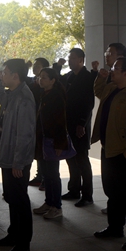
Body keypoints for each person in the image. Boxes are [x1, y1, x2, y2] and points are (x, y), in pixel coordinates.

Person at [91, 57, 126, 250]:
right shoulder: (112, 88)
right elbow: (98, 91)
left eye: (115, 68)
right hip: (109, 149)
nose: (111, 70)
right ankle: (115, 227)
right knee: (112, 192)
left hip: (124, 153)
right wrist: (100, 77)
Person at [0, 59, 36, 251]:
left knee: (19, 201)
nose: (3, 75)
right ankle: (13, 234)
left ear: (15, 76)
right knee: (11, 197)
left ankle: (23, 244)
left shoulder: (24, 98)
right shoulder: (12, 94)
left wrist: (19, 162)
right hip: (8, 155)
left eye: (5, 72)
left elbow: (25, 134)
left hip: (16, 159)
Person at [54, 48, 95, 207]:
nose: (70, 61)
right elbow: (56, 80)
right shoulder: (69, 76)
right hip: (68, 123)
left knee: (82, 159)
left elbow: (88, 103)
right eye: (69, 58)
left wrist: (82, 123)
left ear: (81, 60)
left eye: (73, 58)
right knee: (70, 157)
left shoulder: (87, 77)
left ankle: (87, 195)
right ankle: (74, 189)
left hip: (80, 124)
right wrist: (57, 66)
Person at [32, 67, 68, 220]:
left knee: (53, 174)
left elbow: (61, 122)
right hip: (43, 139)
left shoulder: (56, 96)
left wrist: (59, 144)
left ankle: (56, 206)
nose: (41, 80)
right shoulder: (44, 94)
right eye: (40, 77)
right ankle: (49, 202)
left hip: (52, 140)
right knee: (46, 174)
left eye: (45, 77)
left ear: (53, 80)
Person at [27, 58, 49, 188]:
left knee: (44, 151)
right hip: (34, 119)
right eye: (34, 65)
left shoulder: (46, 86)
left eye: (38, 65)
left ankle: (45, 178)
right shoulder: (32, 82)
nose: (35, 67)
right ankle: (40, 175)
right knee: (38, 150)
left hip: (43, 121)